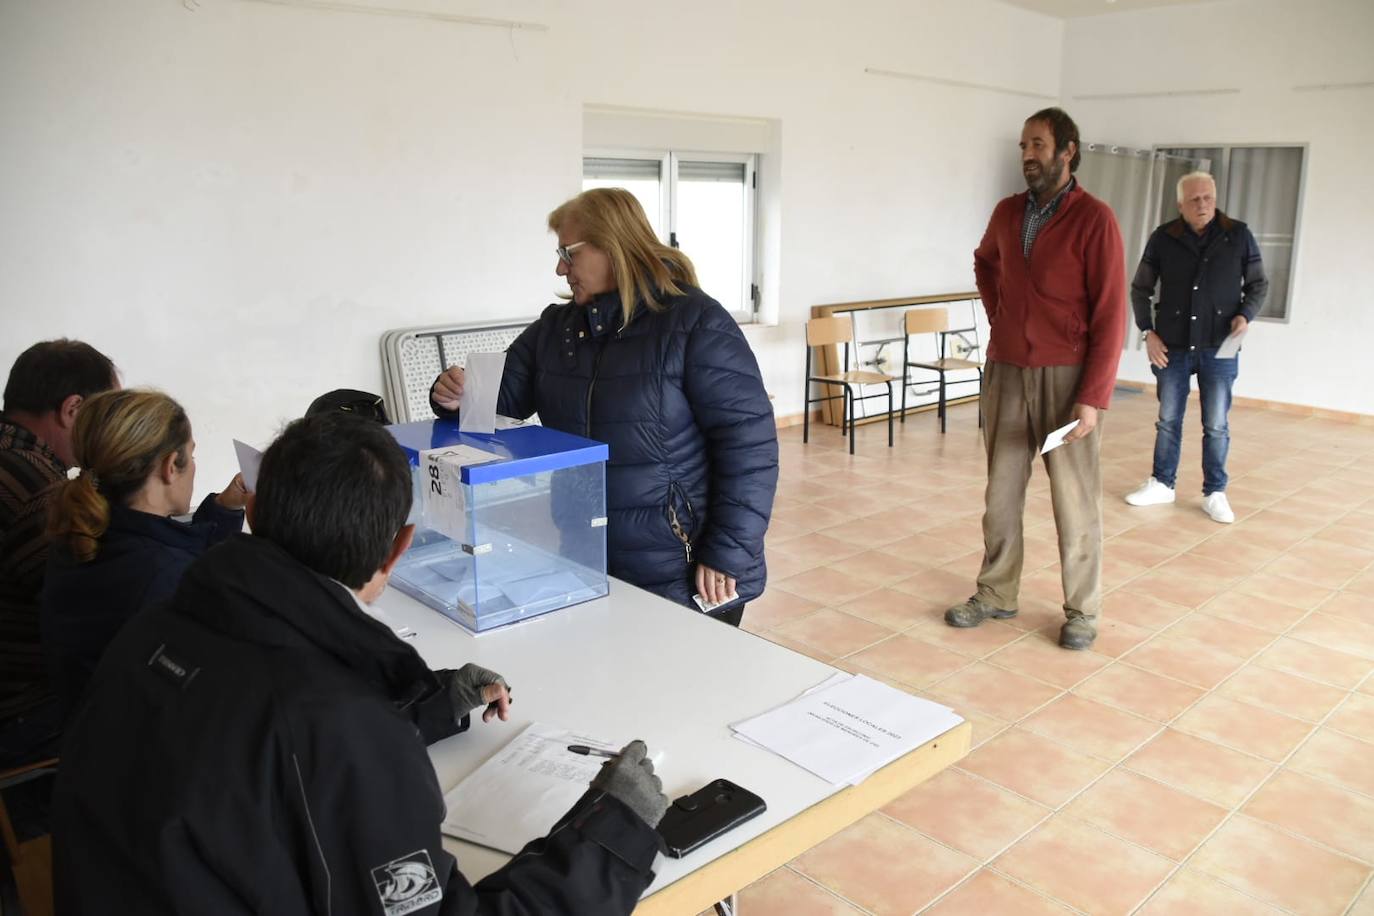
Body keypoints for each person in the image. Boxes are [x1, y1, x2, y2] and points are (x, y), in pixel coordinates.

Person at [51, 412, 667, 914]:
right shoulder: (337, 725)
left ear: (256, 513)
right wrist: (614, 834)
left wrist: (421, 705)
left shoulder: (153, 630)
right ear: (401, 547)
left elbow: (253, 751)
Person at [430, 188, 778, 626]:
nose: (559, 268)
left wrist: (727, 552)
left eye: (568, 253)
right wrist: (453, 394)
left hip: (680, 565)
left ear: (614, 245)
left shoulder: (695, 323)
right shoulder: (556, 330)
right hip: (585, 552)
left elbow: (750, 448)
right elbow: (497, 401)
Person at [946, 107, 1126, 651]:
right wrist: (1000, 316)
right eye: (1024, 144)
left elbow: (1112, 314)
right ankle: (996, 592)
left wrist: (1092, 398)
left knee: (1073, 498)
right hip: (1006, 370)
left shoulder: (1095, 219)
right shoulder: (1006, 212)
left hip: (1066, 377)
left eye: (1039, 144)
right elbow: (984, 263)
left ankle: (1082, 610)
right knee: (1000, 492)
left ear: (1068, 150)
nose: (1028, 154)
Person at [41, 389, 248, 719]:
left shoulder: (83, 537)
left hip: (89, 737)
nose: (193, 466)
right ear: (170, 467)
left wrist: (223, 509)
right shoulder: (161, 574)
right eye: (191, 455)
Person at [1124, 171, 1268, 524]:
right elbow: (1140, 288)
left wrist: (1246, 316)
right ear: (1180, 205)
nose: (1202, 204)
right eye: (1194, 199)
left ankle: (1215, 492)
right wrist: (1148, 332)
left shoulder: (1238, 235)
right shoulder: (1163, 238)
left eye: (1207, 197)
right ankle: (1162, 483)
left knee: (1216, 423)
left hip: (1220, 346)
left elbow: (1258, 284)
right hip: (1171, 346)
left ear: (1215, 198)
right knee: (1168, 419)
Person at [0, 339, 117, 764]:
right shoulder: (34, 485)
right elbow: (93, 613)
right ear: (72, 411)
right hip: (25, 716)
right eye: (105, 417)